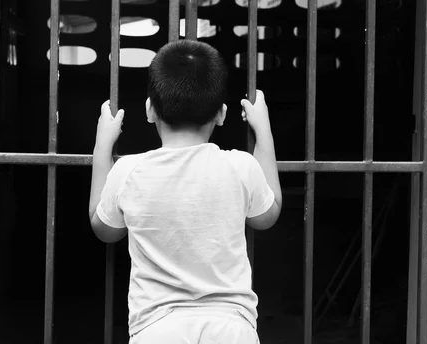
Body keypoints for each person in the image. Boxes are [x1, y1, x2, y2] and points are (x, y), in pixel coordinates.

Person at [88, 40, 282, 344]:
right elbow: (267, 215)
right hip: (231, 327)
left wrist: (102, 147)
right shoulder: (240, 166)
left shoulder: (129, 172)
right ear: (221, 114)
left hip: (157, 328)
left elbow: (104, 228)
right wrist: (263, 130)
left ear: (150, 111)